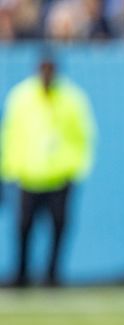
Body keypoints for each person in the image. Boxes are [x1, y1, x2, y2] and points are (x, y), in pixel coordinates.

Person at [0, 52, 95, 287]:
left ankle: (52, 275)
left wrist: (76, 168)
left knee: (59, 227)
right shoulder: (21, 97)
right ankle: (21, 274)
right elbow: (10, 135)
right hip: (28, 176)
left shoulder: (71, 99)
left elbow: (83, 135)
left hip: (59, 176)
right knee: (23, 228)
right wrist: (8, 170)